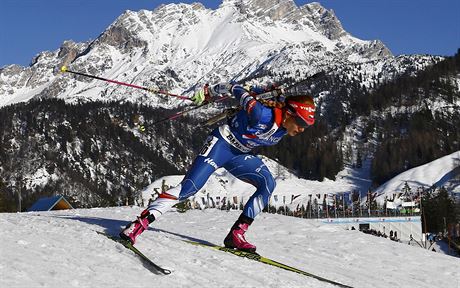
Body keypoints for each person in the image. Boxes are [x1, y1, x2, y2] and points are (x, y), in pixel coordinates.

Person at [119, 82, 316, 253]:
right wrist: (210, 91)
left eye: (306, 126)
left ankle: (236, 235)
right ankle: (137, 225)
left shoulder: (283, 124)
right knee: (190, 188)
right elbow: (235, 88)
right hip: (220, 145)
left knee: (267, 183)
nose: (301, 129)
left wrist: (265, 90)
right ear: (290, 113)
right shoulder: (261, 114)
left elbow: (260, 94)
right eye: (300, 123)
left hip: (239, 154)